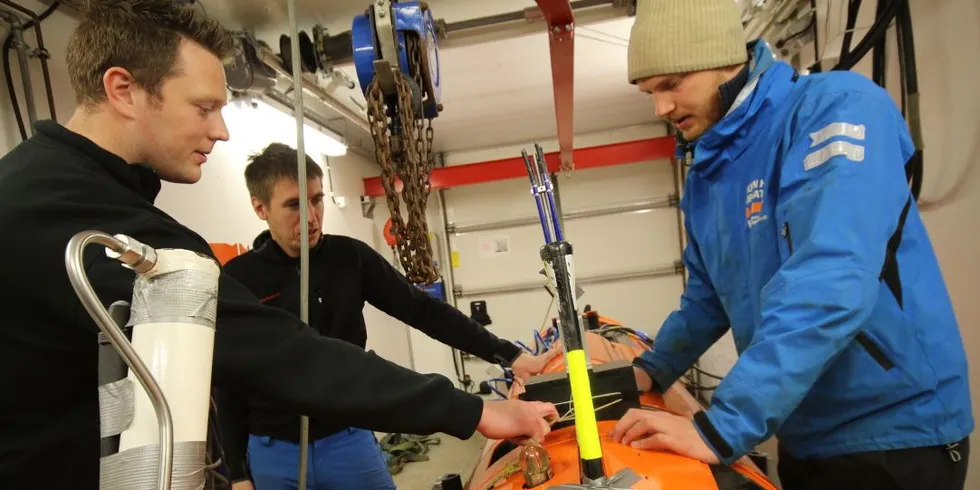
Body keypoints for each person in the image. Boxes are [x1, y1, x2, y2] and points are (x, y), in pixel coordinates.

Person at [0, 2, 557, 488]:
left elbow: (417, 311)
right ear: (124, 90)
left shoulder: (43, 187)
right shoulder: (77, 214)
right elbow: (278, 354)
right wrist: (472, 409)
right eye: (203, 107)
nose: (220, 130)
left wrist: (502, 356)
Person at [609, 1, 973, 489]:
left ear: (724, 57)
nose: (661, 108)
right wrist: (651, 371)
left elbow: (830, 278)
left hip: (893, 435)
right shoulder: (708, 175)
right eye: (649, 91)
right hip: (800, 433)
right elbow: (708, 298)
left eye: (672, 84)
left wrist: (723, 427)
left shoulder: (835, 107)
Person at [217, 142, 560, 489]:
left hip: (347, 440)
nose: (310, 215)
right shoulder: (238, 279)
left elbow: (424, 310)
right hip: (275, 452)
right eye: (293, 204)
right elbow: (230, 381)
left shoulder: (349, 258)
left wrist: (510, 355)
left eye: (317, 199)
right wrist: (238, 473)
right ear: (260, 208)